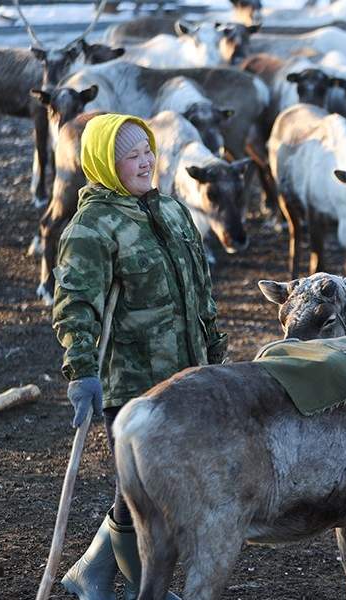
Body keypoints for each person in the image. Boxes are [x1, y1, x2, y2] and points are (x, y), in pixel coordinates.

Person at [52, 114, 228, 600]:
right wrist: (82, 371)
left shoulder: (172, 210)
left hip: (185, 373)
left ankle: (94, 572)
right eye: (130, 155)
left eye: (147, 150)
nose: (145, 161)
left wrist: (213, 342)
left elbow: (199, 286)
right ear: (104, 164)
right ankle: (138, 585)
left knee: (152, 491)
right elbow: (75, 304)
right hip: (130, 384)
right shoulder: (92, 227)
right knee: (143, 494)